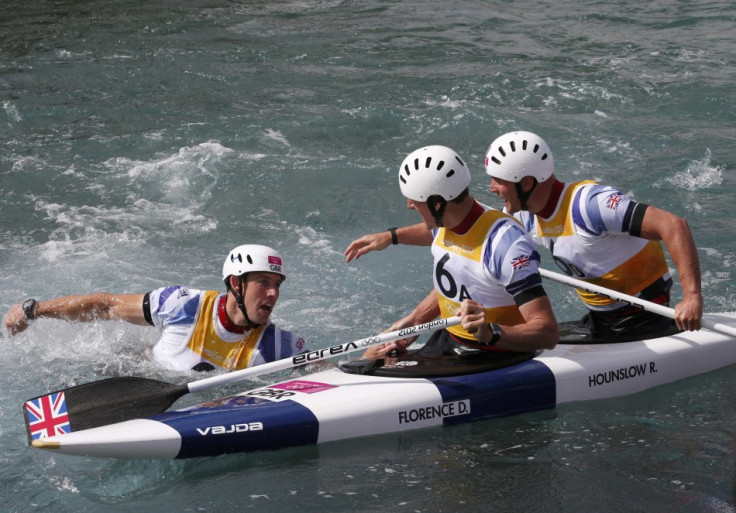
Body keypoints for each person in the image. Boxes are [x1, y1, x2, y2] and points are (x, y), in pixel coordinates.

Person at [347, 131, 703, 339]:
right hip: (603, 319)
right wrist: (392, 237)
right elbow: (469, 232)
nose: (493, 188)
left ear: (527, 183)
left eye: (500, 181)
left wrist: (692, 297)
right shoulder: (525, 211)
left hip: (650, 316)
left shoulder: (590, 204)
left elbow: (674, 225)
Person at [346, 145, 558, 359]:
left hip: (492, 354)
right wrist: (415, 322)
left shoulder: (507, 246)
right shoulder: (449, 220)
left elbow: (548, 333)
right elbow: (451, 258)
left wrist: (491, 332)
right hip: (450, 340)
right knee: (367, 359)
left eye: (414, 200)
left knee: (368, 371)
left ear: (437, 204)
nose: (409, 204)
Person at [4, 244, 306, 371]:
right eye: (264, 282)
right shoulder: (183, 305)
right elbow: (106, 305)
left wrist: (357, 361)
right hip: (139, 375)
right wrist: (34, 310)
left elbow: (328, 371)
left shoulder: (278, 346)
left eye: (277, 285)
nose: (273, 293)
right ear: (236, 284)